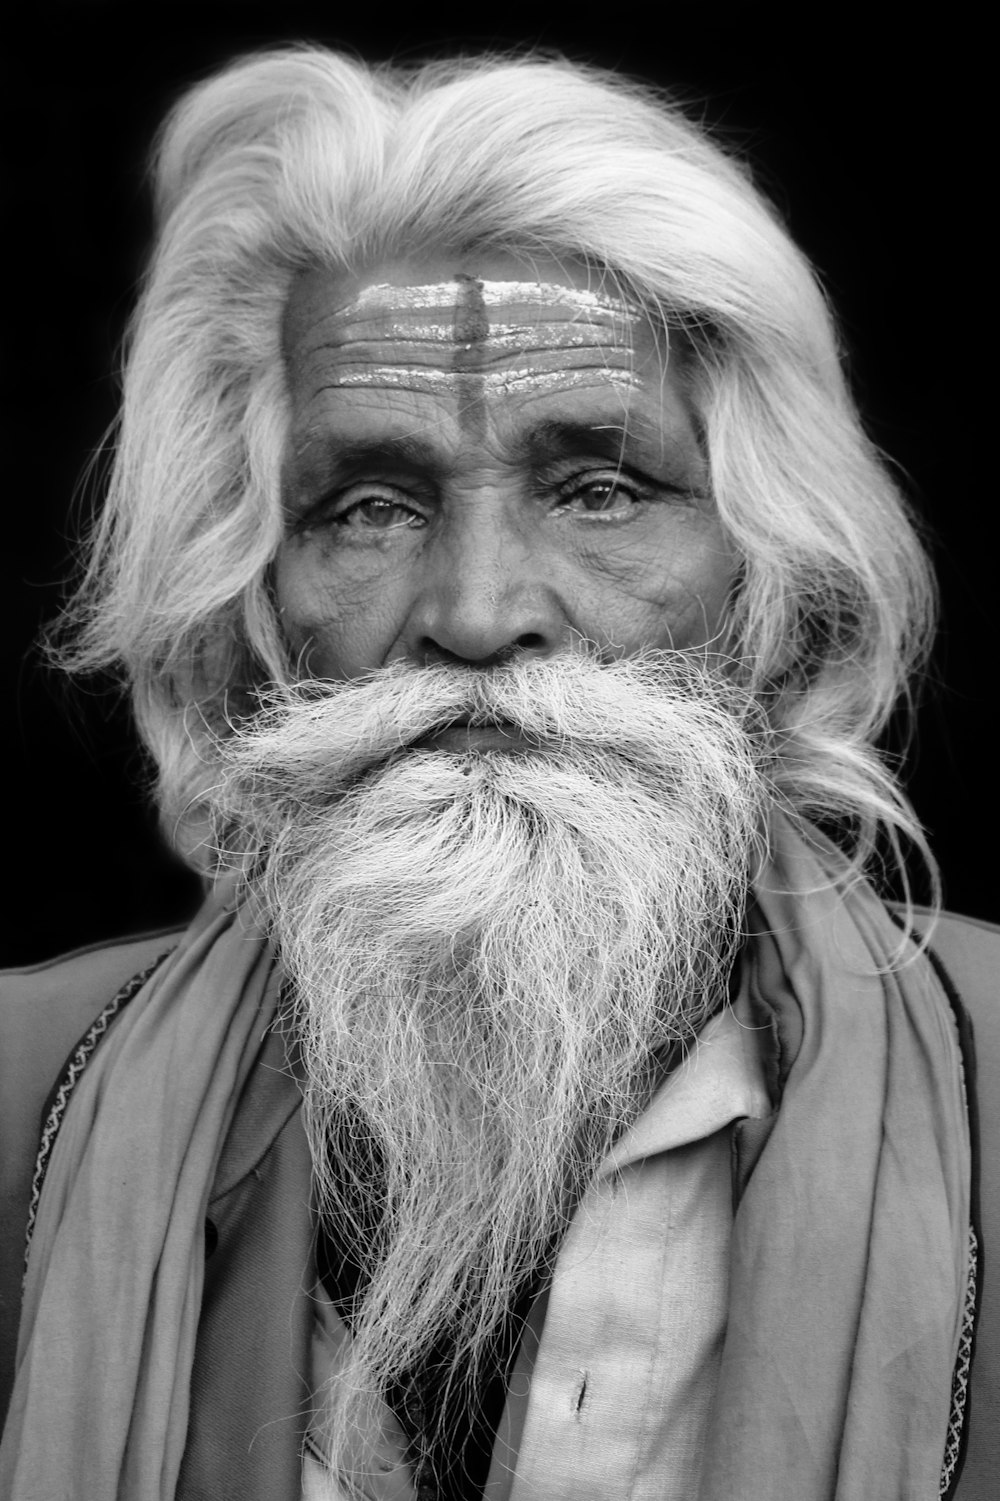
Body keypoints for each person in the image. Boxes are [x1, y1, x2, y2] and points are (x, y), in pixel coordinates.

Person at [0, 45, 996, 1500]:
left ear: (777, 587)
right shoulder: (20, 1097)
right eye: (370, 505)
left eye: (599, 488)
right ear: (253, 613)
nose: (475, 613)